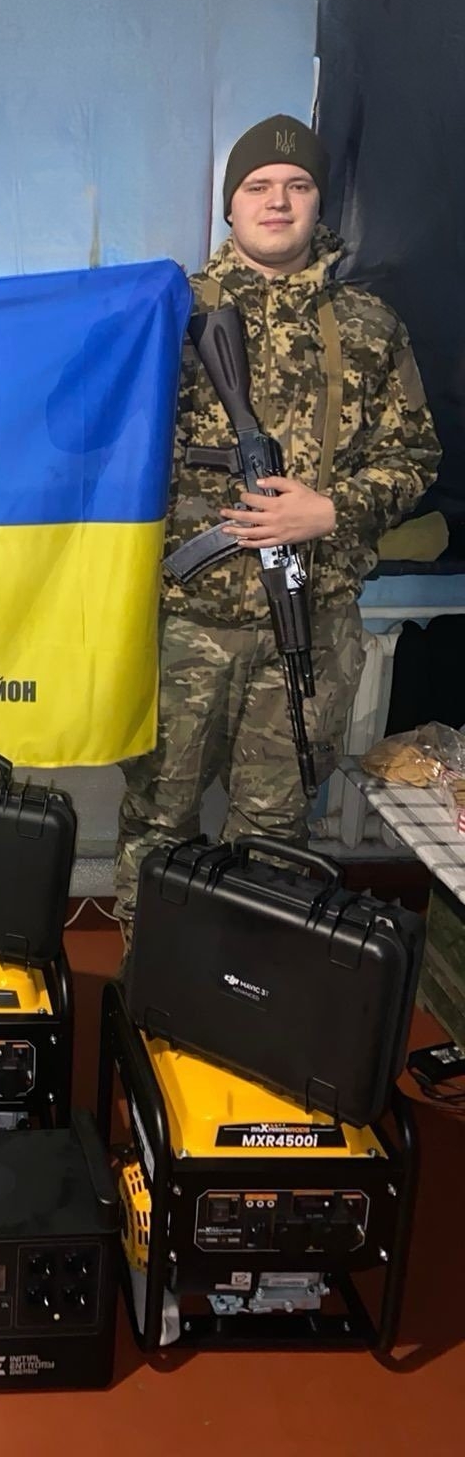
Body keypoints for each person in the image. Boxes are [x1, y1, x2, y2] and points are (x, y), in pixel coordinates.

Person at [114, 114, 441, 945]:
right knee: (158, 823)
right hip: (184, 623)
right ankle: (148, 988)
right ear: (230, 206)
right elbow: (95, 422)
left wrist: (330, 509)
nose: (278, 201)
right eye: (258, 186)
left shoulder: (368, 325)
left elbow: (413, 454)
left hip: (311, 624)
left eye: (297, 187)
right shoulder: (169, 311)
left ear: (319, 203)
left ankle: (245, 989)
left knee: (273, 837)